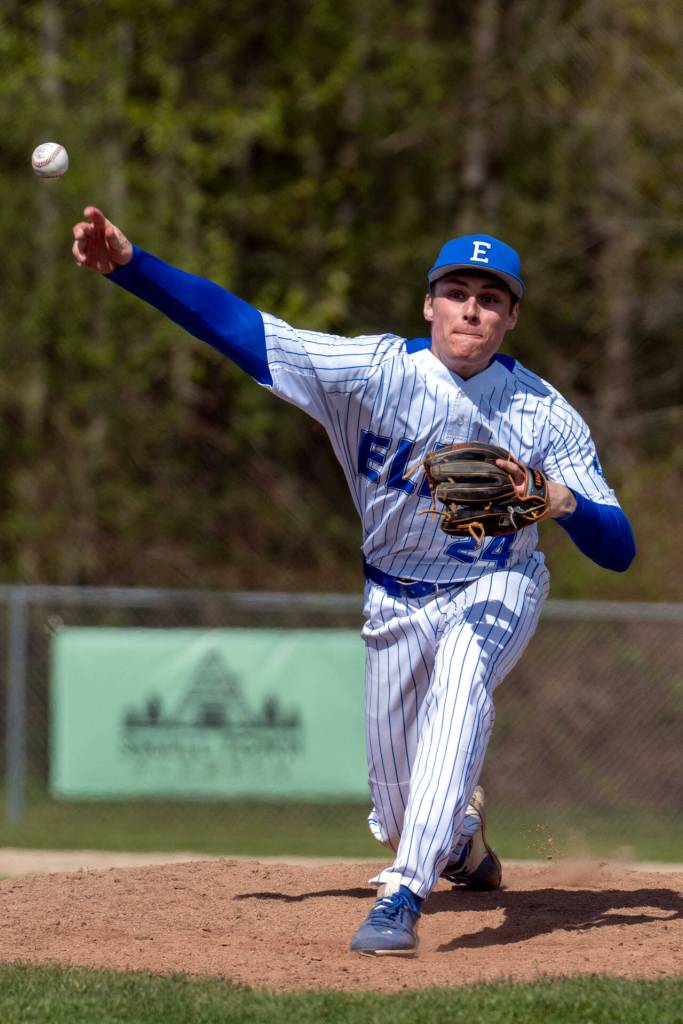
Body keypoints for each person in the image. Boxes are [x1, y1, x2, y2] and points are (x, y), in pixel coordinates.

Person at [72, 209, 635, 956]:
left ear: (510, 318)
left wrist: (559, 500)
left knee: (461, 686)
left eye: (490, 297)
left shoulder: (542, 414)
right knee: (401, 809)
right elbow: (242, 330)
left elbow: (618, 547)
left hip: (493, 581)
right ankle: (457, 841)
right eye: (457, 290)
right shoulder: (370, 372)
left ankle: (402, 895)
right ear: (427, 304)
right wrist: (133, 267)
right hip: (392, 593)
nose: (471, 307)